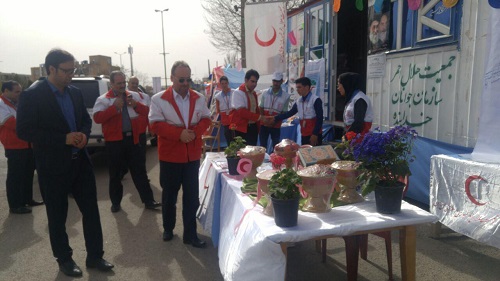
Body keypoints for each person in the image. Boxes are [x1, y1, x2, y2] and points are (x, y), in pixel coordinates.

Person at [16, 49, 113, 277]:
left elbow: (85, 120)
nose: (71, 74)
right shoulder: (33, 95)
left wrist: (82, 135)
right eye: (67, 71)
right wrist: (63, 139)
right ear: (51, 69)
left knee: (91, 211)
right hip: (53, 167)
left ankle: (95, 255)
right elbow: (24, 130)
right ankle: (65, 259)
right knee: (57, 216)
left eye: (73, 70)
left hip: (80, 162)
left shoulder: (75, 93)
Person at [149, 61, 211, 248]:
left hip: (191, 156)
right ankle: (168, 228)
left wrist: (194, 132)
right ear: (172, 78)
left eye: (188, 79)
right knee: (169, 196)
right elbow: (155, 125)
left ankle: (190, 234)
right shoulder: (158, 99)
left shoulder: (199, 97)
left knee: (192, 198)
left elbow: (207, 118)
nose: (185, 83)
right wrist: (179, 134)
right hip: (170, 157)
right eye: (181, 79)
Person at [93, 71, 161, 213]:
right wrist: (114, 108)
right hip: (114, 142)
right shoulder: (103, 99)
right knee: (115, 174)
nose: (122, 86)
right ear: (111, 84)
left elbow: (147, 111)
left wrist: (135, 105)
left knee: (140, 171)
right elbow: (98, 118)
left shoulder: (134, 96)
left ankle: (149, 200)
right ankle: (116, 202)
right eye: (119, 83)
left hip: (133, 139)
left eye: (123, 83)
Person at [0, 80, 43, 214]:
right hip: (14, 145)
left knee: (27, 173)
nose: (20, 94)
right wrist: (30, 123)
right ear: (6, 91)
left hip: (27, 143)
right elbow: (12, 124)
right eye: (17, 91)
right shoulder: (1, 104)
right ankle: (15, 204)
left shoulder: (17, 103)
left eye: (20, 91)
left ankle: (27, 199)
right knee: (15, 176)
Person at [272, 77, 323, 146]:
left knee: (316, 154)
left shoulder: (315, 100)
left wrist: (315, 134)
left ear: (307, 87)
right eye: (297, 88)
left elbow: (320, 118)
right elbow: (290, 113)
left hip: (314, 134)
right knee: (305, 154)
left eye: (299, 87)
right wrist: (275, 118)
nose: (297, 90)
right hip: (304, 133)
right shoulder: (299, 101)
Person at [229, 69, 265, 145]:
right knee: (241, 153)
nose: (254, 84)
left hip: (253, 127)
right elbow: (242, 112)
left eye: (256, 82)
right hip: (241, 128)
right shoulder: (238, 92)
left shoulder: (254, 93)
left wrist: (262, 119)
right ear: (246, 80)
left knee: (252, 152)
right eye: (252, 81)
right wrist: (259, 117)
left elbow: (256, 110)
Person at [259, 72, 290, 152]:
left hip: (276, 125)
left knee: (276, 146)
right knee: (262, 146)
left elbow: (284, 112)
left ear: (281, 81)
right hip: (264, 124)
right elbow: (261, 107)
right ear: (272, 81)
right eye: (274, 81)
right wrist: (264, 119)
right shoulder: (265, 92)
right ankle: (263, 161)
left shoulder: (286, 96)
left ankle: (275, 161)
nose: (276, 83)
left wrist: (274, 121)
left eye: (278, 81)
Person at [213, 76, 234, 145]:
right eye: (222, 83)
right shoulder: (218, 96)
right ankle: (230, 153)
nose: (224, 85)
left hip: (234, 117)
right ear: (220, 84)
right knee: (227, 136)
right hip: (225, 119)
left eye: (225, 83)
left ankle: (237, 153)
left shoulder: (234, 92)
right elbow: (218, 109)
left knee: (235, 136)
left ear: (228, 83)